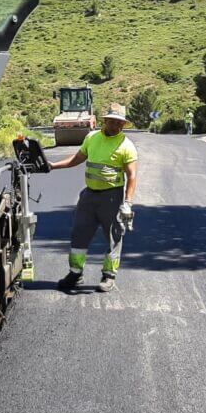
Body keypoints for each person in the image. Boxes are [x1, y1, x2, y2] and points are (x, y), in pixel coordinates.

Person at [51, 103, 138, 293]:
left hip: (112, 198)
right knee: (79, 233)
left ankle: (108, 276)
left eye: (118, 122)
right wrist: (52, 166)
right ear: (104, 121)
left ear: (123, 125)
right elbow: (76, 160)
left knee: (114, 237)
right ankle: (75, 274)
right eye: (111, 121)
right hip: (89, 196)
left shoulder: (127, 146)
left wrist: (128, 203)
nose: (114, 125)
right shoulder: (92, 137)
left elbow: (132, 176)